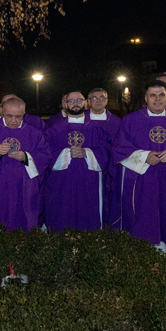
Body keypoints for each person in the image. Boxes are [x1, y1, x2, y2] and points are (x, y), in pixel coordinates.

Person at [110, 81, 166, 257]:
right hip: (141, 181)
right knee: (142, 218)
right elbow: (119, 148)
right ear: (146, 98)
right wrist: (143, 156)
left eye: (161, 95)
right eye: (153, 95)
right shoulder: (130, 120)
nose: (157, 99)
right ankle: (140, 262)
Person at [0, 97, 53, 232]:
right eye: (9, 116)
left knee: (22, 218)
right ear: (2, 112)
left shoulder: (34, 133)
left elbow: (44, 155)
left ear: (24, 114)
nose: (13, 120)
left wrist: (26, 157)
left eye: (18, 116)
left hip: (23, 186)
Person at [42, 92, 109, 231]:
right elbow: (44, 154)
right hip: (61, 185)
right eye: (71, 101)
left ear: (86, 103)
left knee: (89, 219)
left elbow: (107, 151)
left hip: (89, 184)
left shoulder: (97, 129)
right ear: (65, 104)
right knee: (61, 217)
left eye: (79, 100)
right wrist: (66, 153)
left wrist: (86, 153)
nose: (75, 103)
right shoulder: (54, 130)